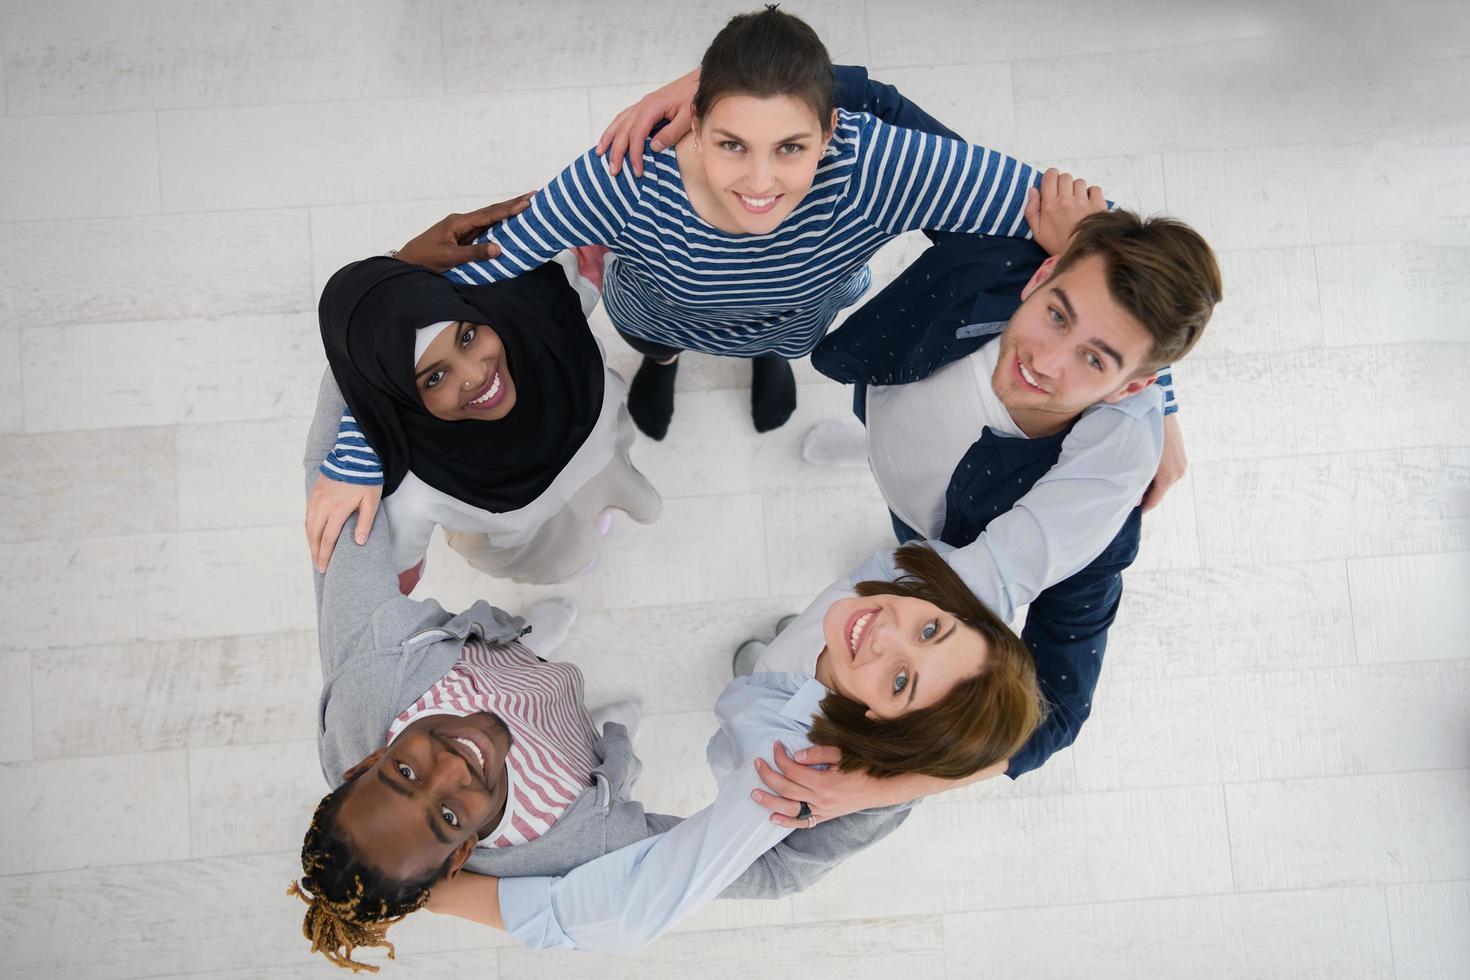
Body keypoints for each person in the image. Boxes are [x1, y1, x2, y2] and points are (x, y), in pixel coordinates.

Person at [290, 381, 1043, 968]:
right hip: (573, 767)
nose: (450, 766)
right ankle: (611, 733)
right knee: (600, 733)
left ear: (364, 759)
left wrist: (385, 308)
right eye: (449, 817)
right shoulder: (577, 851)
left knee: (541, 674)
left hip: (498, 669)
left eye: (402, 774)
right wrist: (880, 788)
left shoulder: (372, 669)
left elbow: (335, 475)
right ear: (462, 857)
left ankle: (526, 659)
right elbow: (761, 875)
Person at [424, 6, 1069, 441]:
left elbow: (1085, 226)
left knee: (786, 340)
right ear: (694, 124)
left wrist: (1157, 401)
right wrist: (354, 453)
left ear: (832, 132)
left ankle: (768, 356)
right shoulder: (625, 176)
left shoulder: (874, 162)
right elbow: (436, 296)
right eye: (732, 144)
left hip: (799, 315)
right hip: (660, 312)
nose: (759, 185)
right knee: (654, 340)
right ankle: (665, 362)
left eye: (791, 147)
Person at [305, 245, 660, 590]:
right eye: (434, 377)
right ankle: (578, 559)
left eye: (468, 336)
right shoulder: (412, 491)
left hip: (608, 469)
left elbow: (600, 225)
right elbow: (393, 583)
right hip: (535, 544)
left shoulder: (541, 302)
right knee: (568, 557)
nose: (475, 375)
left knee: (617, 501)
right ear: (398, 396)